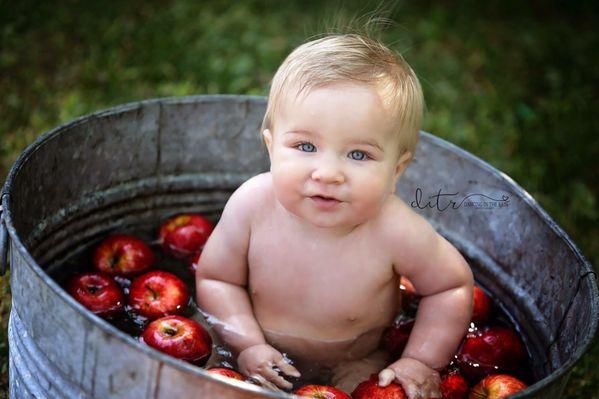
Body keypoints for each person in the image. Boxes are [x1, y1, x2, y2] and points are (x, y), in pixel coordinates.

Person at [195, 33, 473, 399]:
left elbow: (450, 287)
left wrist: (420, 361)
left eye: (358, 155)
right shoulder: (252, 205)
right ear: (271, 148)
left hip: (354, 362)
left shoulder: (394, 229)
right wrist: (245, 344)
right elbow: (218, 279)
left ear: (397, 170)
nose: (327, 173)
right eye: (305, 146)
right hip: (247, 347)